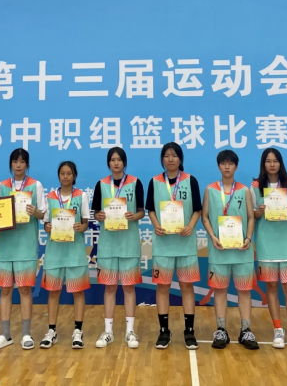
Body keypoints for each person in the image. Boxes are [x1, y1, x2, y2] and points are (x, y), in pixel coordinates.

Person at [200, 150, 258, 350]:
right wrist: (213, 236)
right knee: (220, 290)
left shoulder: (244, 190)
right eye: (223, 163)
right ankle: (221, 329)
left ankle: (246, 330)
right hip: (219, 248)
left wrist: (248, 238)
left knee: (244, 290)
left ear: (236, 166)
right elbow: (204, 217)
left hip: (242, 249)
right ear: (218, 166)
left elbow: (251, 217)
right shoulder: (210, 190)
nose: (227, 167)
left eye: (230, 163)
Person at [147, 142, 202, 350]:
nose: (170, 159)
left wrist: (190, 226)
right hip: (163, 244)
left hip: (185, 243)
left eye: (174, 155)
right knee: (163, 287)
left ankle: (189, 331)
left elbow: (197, 209)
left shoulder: (190, 180)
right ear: (162, 159)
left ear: (180, 159)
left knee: (187, 286)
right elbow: (151, 209)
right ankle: (164, 331)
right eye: (166, 156)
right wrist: (156, 225)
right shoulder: (155, 181)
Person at [0, 149, 45, 351]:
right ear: (11, 164)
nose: (18, 165)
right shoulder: (2, 186)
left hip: (26, 246)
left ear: (27, 164)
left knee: (24, 289)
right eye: (15, 161)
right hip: (5, 247)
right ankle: (5, 334)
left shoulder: (36, 185)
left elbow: (43, 215)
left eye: (22, 161)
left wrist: (35, 211)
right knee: (5, 290)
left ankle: (26, 333)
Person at [251, 148, 287, 349]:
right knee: (271, 287)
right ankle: (278, 330)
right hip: (266, 244)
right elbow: (251, 215)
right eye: (268, 161)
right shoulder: (255, 186)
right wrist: (259, 211)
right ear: (263, 164)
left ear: (280, 163)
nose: (272, 164)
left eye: (275, 161)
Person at [91, 147, 145, 349]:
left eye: (119, 160)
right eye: (112, 160)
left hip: (129, 243)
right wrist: (99, 216)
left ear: (124, 162)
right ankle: (108, 331)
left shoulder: (135, 183)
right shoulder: (101, 184)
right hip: (108, 244)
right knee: (110, 287)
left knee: (129, 287)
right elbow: (96, 213)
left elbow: (141, 211)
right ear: (108, 163)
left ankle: (130, 331)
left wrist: (134, 216)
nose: (116, 163)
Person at [40, 161, 90, 349]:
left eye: (69, 173)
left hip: (75, 252)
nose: (66, 176)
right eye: (62, 173)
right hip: (55, 251)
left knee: (78, 291)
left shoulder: (81, 196)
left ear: (74, 175)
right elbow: (46, 224)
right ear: (58, 175)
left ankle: (78, 331)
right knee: (53, 292)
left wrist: (81, 227)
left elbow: (85, 223)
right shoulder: (50, 197)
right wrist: (47, 227)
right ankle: (51, 331)